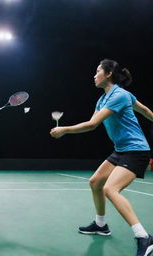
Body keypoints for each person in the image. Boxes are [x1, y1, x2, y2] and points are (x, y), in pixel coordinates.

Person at [50, 59, 153, 256]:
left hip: (136, 150)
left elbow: (93, 125)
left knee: (110, 189)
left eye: (98, 71)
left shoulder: (120, 95)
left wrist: (65, 130)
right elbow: (145, 110)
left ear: (108, 74)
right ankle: (101, 225)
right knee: (95, 182)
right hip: (121, 149)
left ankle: (143, 237)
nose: (94, 75)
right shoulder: (102, 99)